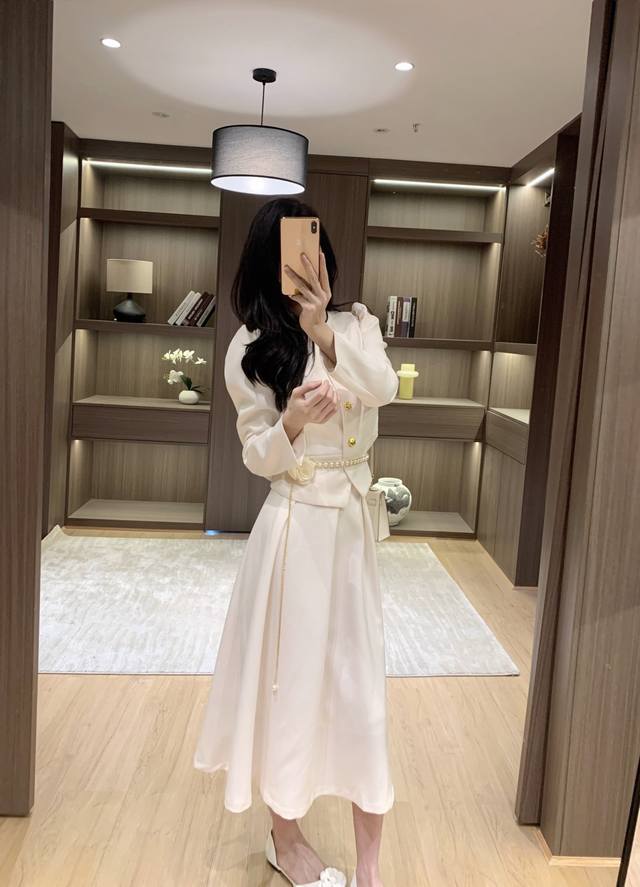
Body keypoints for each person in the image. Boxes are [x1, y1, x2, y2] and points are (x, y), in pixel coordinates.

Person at [193, 197, 399, 887]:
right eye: (291, 252)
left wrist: (323, 330)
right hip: (293, 526)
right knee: (290, 680)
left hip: (352, 529)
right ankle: (286, 838)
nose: (306, 263)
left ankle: (370, 866)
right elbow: (257, 453)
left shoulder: (357, 325)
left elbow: (384, 387)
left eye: (313, 248)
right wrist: (292, 423)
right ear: (267, 261)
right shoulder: (248, 348)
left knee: (361, 687)